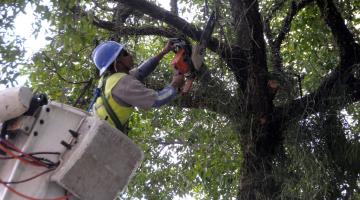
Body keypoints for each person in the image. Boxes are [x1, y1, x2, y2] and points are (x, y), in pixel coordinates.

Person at [90, 40, 184, 132]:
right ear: (117, 63)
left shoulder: (110, 80)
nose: (130, 55)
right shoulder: (122, 83)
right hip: (103, 135)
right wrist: (174, 85)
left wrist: (163, 52)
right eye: (125, 54)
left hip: (95, 129)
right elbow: (157, 100)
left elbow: (141, 71)